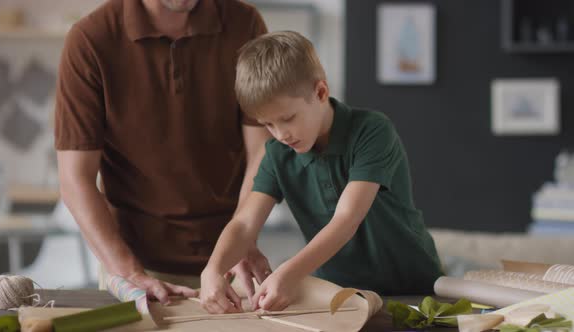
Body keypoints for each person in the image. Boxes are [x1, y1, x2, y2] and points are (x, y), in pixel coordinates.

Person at [200, 31, 444, 314]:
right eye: (268, 124)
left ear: (320, 92)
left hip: (413, 288)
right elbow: (244, 223)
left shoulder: (372, 130)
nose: (280, 134)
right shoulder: (277, 154)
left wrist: (289, 272)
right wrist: (212, 269)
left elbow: (346, 219)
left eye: (287, 118)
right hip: (339, 296)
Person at [54, 0, 273, 305]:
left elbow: (262, 150)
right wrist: (131, 273)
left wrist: (241, 242)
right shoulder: (91, 39)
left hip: (230, 267)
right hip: (137, 269)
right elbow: (75, 180)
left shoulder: (244, 23)